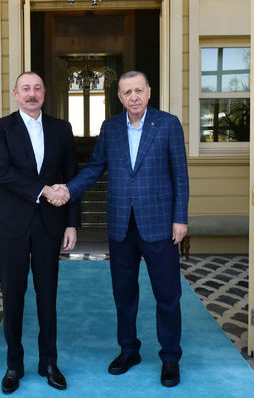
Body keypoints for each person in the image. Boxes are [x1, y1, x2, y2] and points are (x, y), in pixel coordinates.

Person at [52, 70, 189, 388]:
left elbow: (180, 175)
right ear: (120, 97)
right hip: (121, 226)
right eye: (127, 93)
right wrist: (69, 190)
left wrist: (180, 218)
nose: (134, 97)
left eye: (139, 90)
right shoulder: (111, 127)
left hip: (160, 224)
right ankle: (129, 350)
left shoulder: (168, 124)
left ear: (149, 92)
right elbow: (95, 167)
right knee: (124, 293)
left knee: (167, 294)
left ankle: (170, 357)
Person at [0, 71, 79, 394]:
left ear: (44, 93)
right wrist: (44, 190)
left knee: (47, 296)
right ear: (15, 94)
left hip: (50, 224)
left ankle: (49, 363)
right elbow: (2, 173)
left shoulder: (61, 129)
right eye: (25, 88)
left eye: (37, 88)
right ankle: (14, 365)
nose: (32, 93)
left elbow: (72, 176)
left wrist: (72, 223)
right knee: (12, 296)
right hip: (11, 224)